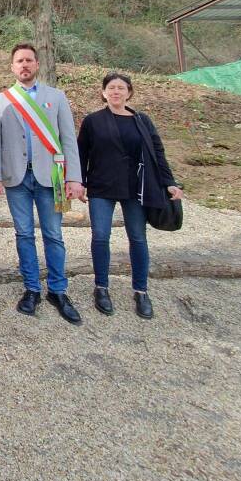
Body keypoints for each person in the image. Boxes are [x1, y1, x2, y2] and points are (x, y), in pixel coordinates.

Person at [0, 43, 85, 324]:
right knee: (24, 234)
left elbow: (68, 139)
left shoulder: (56, 97)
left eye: (29, 60)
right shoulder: (0, 100)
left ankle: (58, 289)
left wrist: (74, 177)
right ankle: (31, 288)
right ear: (12, 67)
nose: (24, 65)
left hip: (50, 176)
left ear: (37, 64)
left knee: (53, 235)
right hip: (16, 177)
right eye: (19, 61)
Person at [77, 72, 184, 319]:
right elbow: (82, 153)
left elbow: (158, 153)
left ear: (129, 92)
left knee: (137, 237)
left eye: (121, 88)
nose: (116, 92)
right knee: (101, 236)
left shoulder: (142, 121)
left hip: (135, 187)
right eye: (111, 88)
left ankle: (141, 290)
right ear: (103, 93)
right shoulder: (93, 121)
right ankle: (101, 287)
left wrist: (169, 182)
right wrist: (80, 183)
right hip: (102, 185)